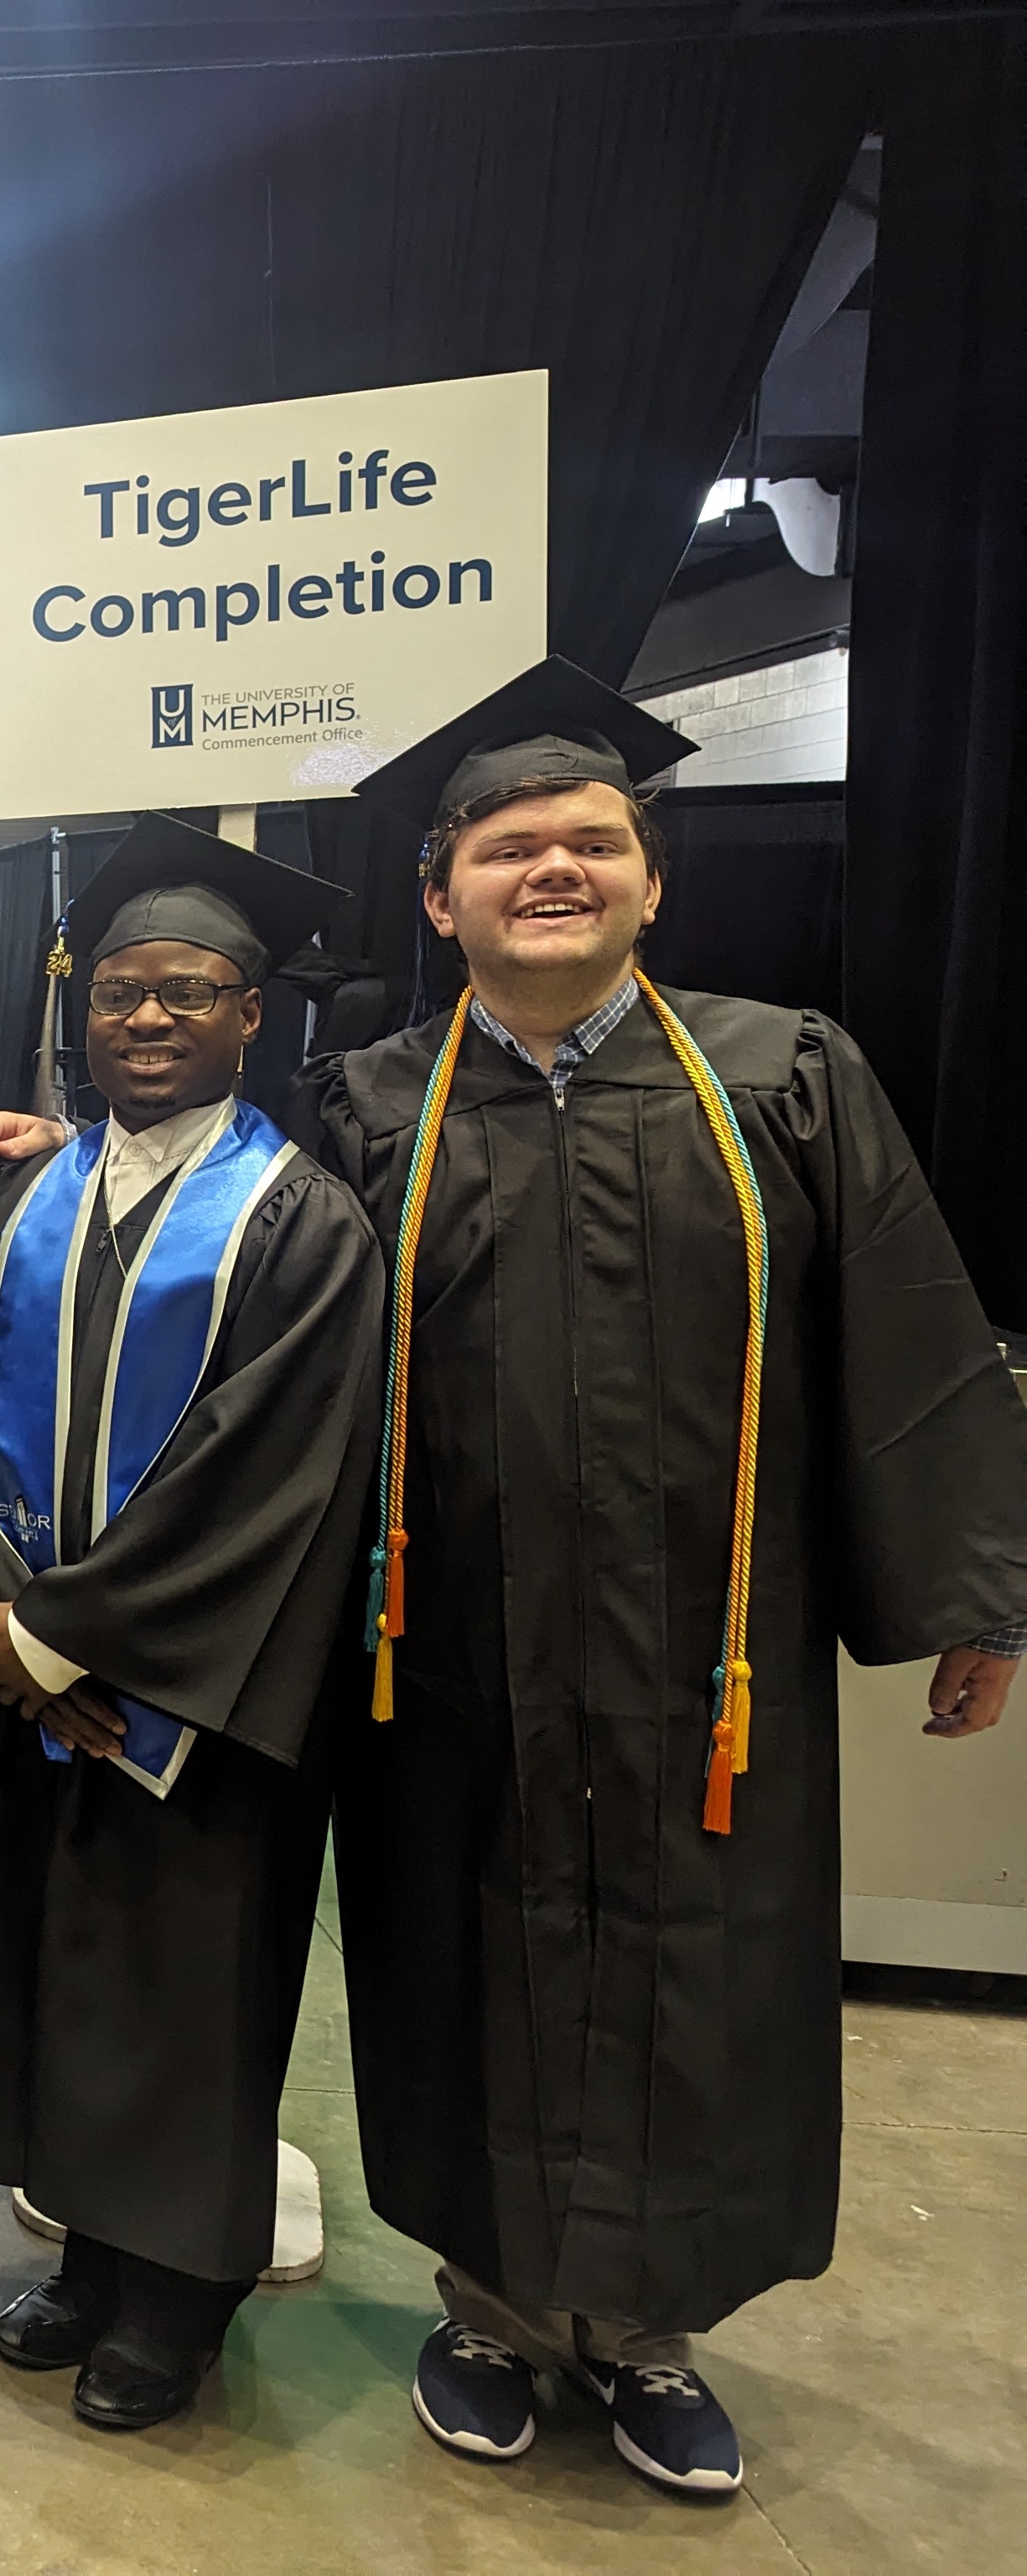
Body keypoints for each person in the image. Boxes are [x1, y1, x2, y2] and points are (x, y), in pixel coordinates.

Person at [298, 657, 1027, 2495]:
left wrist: (968, 1589)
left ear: (653, 879)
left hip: (715, 1655)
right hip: (453, 1657)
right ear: (439, 889)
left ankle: (648, 2337)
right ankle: (485, 2306)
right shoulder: (367, 1107)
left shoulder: (787, 1075)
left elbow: (911, 1337)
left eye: (594, 841)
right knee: (463, 1956)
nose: (557, 869)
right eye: (512, 845)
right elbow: (255, 1347)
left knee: (706, 1975)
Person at [0, 817, 381, 2433]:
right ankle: (88, 2255)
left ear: (250, 1014)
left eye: (185, 992)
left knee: (186, 1990)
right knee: (59, 1973)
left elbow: (271, 1475)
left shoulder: (300, 1220)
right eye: (121, 990)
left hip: (196, 1702)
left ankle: (182, 2297)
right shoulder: (21, 1197)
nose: (144, 1018)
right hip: (29, 1681)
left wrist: (74, 1643)